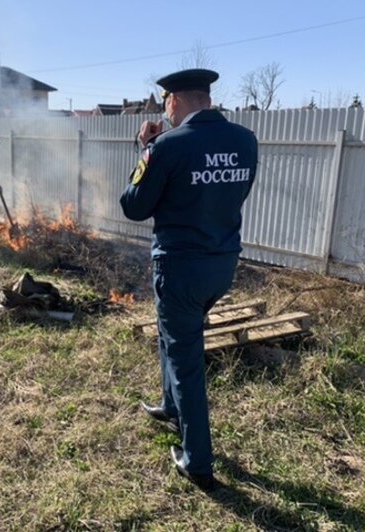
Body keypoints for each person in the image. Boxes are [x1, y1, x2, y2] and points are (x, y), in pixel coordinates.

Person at [119, 69, 258, 491]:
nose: (165, 109)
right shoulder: (245, 141)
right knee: (173, 335)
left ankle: (197, 460)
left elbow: (134, 207)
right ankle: (168, 405)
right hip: (222, 263)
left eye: (165, 103)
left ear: (174, 101)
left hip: (180, 268)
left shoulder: (166, 145)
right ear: (207, 98)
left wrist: (146, 150)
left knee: (186, 359)